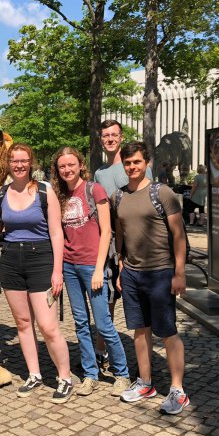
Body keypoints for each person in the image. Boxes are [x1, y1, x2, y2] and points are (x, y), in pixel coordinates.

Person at [0, 143, 73, 404]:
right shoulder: (0, 194)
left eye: (24, 160)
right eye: (14, 161)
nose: (19, 165)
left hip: (41, 259)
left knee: (48, 326)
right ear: (8, 164)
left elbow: (56, 233)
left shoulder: (45, 191)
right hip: (11, 260)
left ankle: (65, 377)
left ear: (31, 162)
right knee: (23, 323)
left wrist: (57, 271)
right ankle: (34, 374)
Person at [113, 141, 189, 415]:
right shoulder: (118, 196)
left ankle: (178, 389)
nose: (132, 167)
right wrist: (121, 266)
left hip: (160, 272)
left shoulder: (162, 192)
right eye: (128, 163)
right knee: (140, 330)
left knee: (168, 332)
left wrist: (179, 272)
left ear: (147, 163)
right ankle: (145, 383)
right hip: (131, 274)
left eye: (137, 162)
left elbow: (178, 235)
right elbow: (121, 233)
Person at [51, 147, 130, 397]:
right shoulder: (59, 195)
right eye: (62, 166)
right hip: (69, 266)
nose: (67, 169)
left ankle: (122, 374)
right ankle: (90, 374)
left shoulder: (94, 190)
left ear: (80, 165)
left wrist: (98, 270)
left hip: (92, 266)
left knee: (104, 324)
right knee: (81, 324)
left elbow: (106, 232)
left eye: (71, 164)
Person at [92, 120, 152, 368]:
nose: (109, 139)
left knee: (138, 299)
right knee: (106, 298)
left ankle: (145, 363)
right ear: (101, 139)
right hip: (110, 243)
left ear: (121, 137)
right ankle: (101, 350)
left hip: (137, 242)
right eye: (105, 135)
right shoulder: (100, 173)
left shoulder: (135, 165)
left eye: (113, 135)